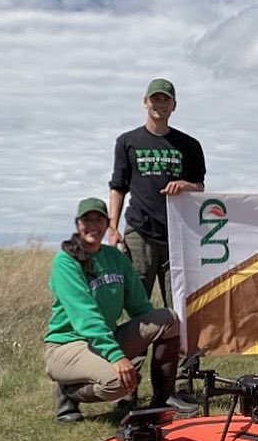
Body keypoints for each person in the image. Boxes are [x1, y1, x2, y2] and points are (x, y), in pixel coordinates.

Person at [43, 197, 199, 423]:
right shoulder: (65, 262)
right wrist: (116, 356)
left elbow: (140, 307)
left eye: (99, 220)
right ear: (78, 224)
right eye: (87, 220)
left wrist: (167, 336)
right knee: (120, 382)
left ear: (108, 224)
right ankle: (68, 389)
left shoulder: (115, 257)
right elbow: (85, 317)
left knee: (168, 318)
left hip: (102, 339)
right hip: (67, 345)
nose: (93, 226)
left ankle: (162, 400)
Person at [108, 77, 206, 402]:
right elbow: (118, 187)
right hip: (139, 232)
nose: (159, 105)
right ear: (145, 102)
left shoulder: (189, 145)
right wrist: (113, 227)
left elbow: (201, 188)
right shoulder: (128, 142)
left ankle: (174, 386)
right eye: (154, 99)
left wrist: (185, 186)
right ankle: (126, 386)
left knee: (178, 313)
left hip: (179, 238)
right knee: (137, 311)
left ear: (174, 106)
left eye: (165, 100)